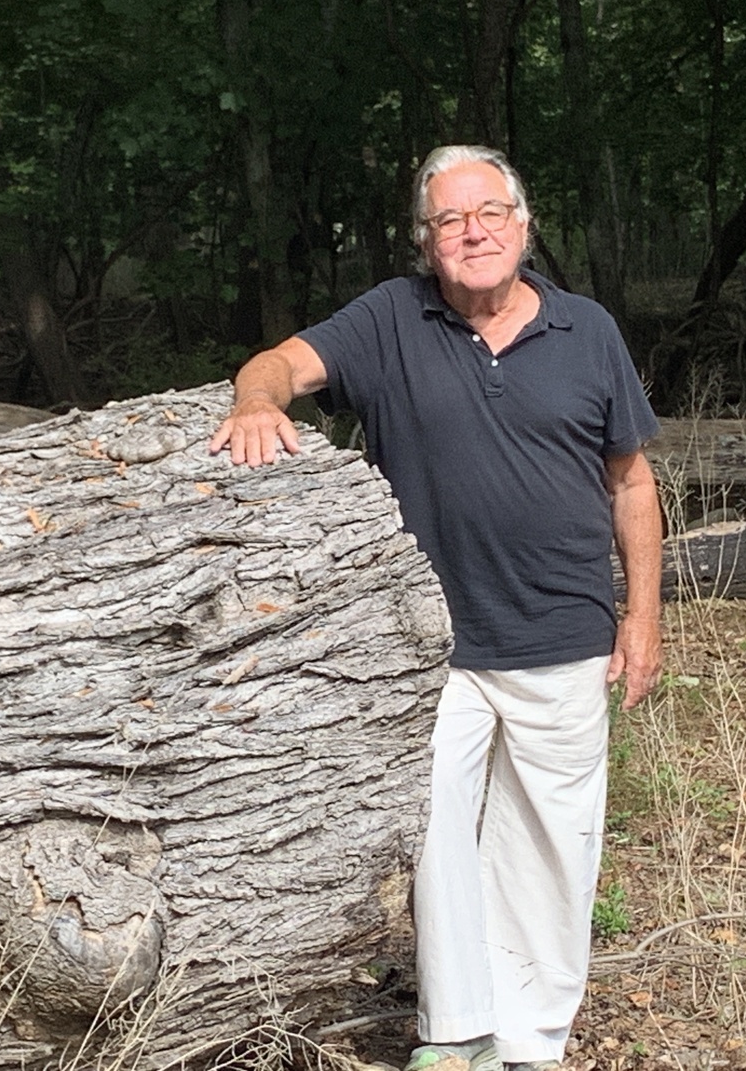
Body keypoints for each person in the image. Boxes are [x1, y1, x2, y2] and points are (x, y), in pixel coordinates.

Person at [209, 145, 663, 1071]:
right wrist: (256, 402)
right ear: (427, 241)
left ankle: (532, 1043)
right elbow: (276, 366)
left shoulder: (588, 331)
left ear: (523, 226)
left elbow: (631, 482)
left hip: (563, 631)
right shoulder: (390, 318)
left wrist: (642, 616)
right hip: (425, 645)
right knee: (434, 836)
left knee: (552, 844)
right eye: (451, 220)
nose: (474, 232)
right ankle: (454, 1033)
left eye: (489, 212)